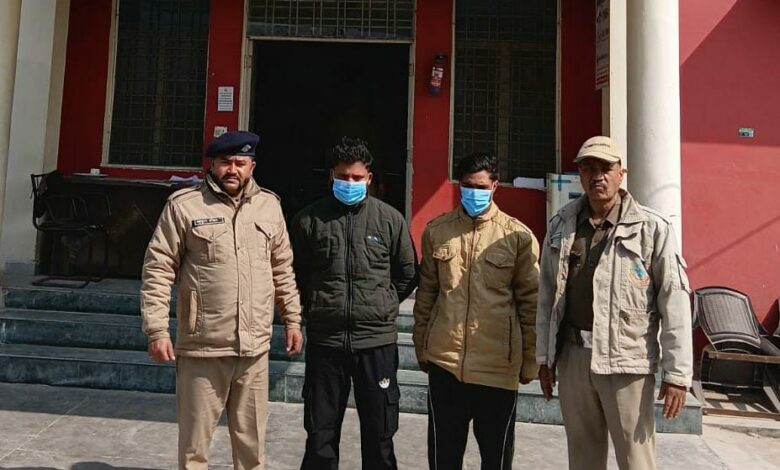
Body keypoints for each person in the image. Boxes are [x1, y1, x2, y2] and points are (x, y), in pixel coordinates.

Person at [140, 130, 303, 470]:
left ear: (252, 166)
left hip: (254, 349)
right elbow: (158, 268)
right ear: (212, 165)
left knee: (252, 450)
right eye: (225, 162)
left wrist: (292, 319)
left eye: (240, 163)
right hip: (204, 347)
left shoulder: (269, 206)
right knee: (195, 448)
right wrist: (157, 329)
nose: (232, 169)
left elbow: (282, 268)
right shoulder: (185, 206)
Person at [536, 136, 693, 470]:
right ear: (580, 174)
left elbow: (674, 303)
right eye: (588, 168)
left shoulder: (652, 229)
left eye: (606, 168)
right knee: (583, 460)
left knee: (636, 461)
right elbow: (547, 298)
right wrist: (544, 359)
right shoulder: (562, 225)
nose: (598, 176)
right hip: (574, 357)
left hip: (627, 364)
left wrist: (677, 374)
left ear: (622, 172)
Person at [290, 137, 418, 470]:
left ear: (369, 178)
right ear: (331, 176)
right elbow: (295, 272)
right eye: (343, 176)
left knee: (380, 435)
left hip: (376, 344)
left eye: (357, 178)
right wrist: (317, 303)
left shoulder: (390, 220)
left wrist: (383, 305)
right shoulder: (309, 221)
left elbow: (407, 273)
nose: (350, 183)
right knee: (320, 435)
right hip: (326, 342)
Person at [413, 152, 540, 470]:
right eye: (468, 186)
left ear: (495, 186)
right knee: (444, 458)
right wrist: (421, 345)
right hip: (446, 363)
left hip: (497, 368)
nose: (474, 192)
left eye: (481, 186)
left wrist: (530, 359)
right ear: (459, 185)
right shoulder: (437, 231)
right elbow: (426, 294)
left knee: (496, 460)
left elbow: (531, 303)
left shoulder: (517, 237)